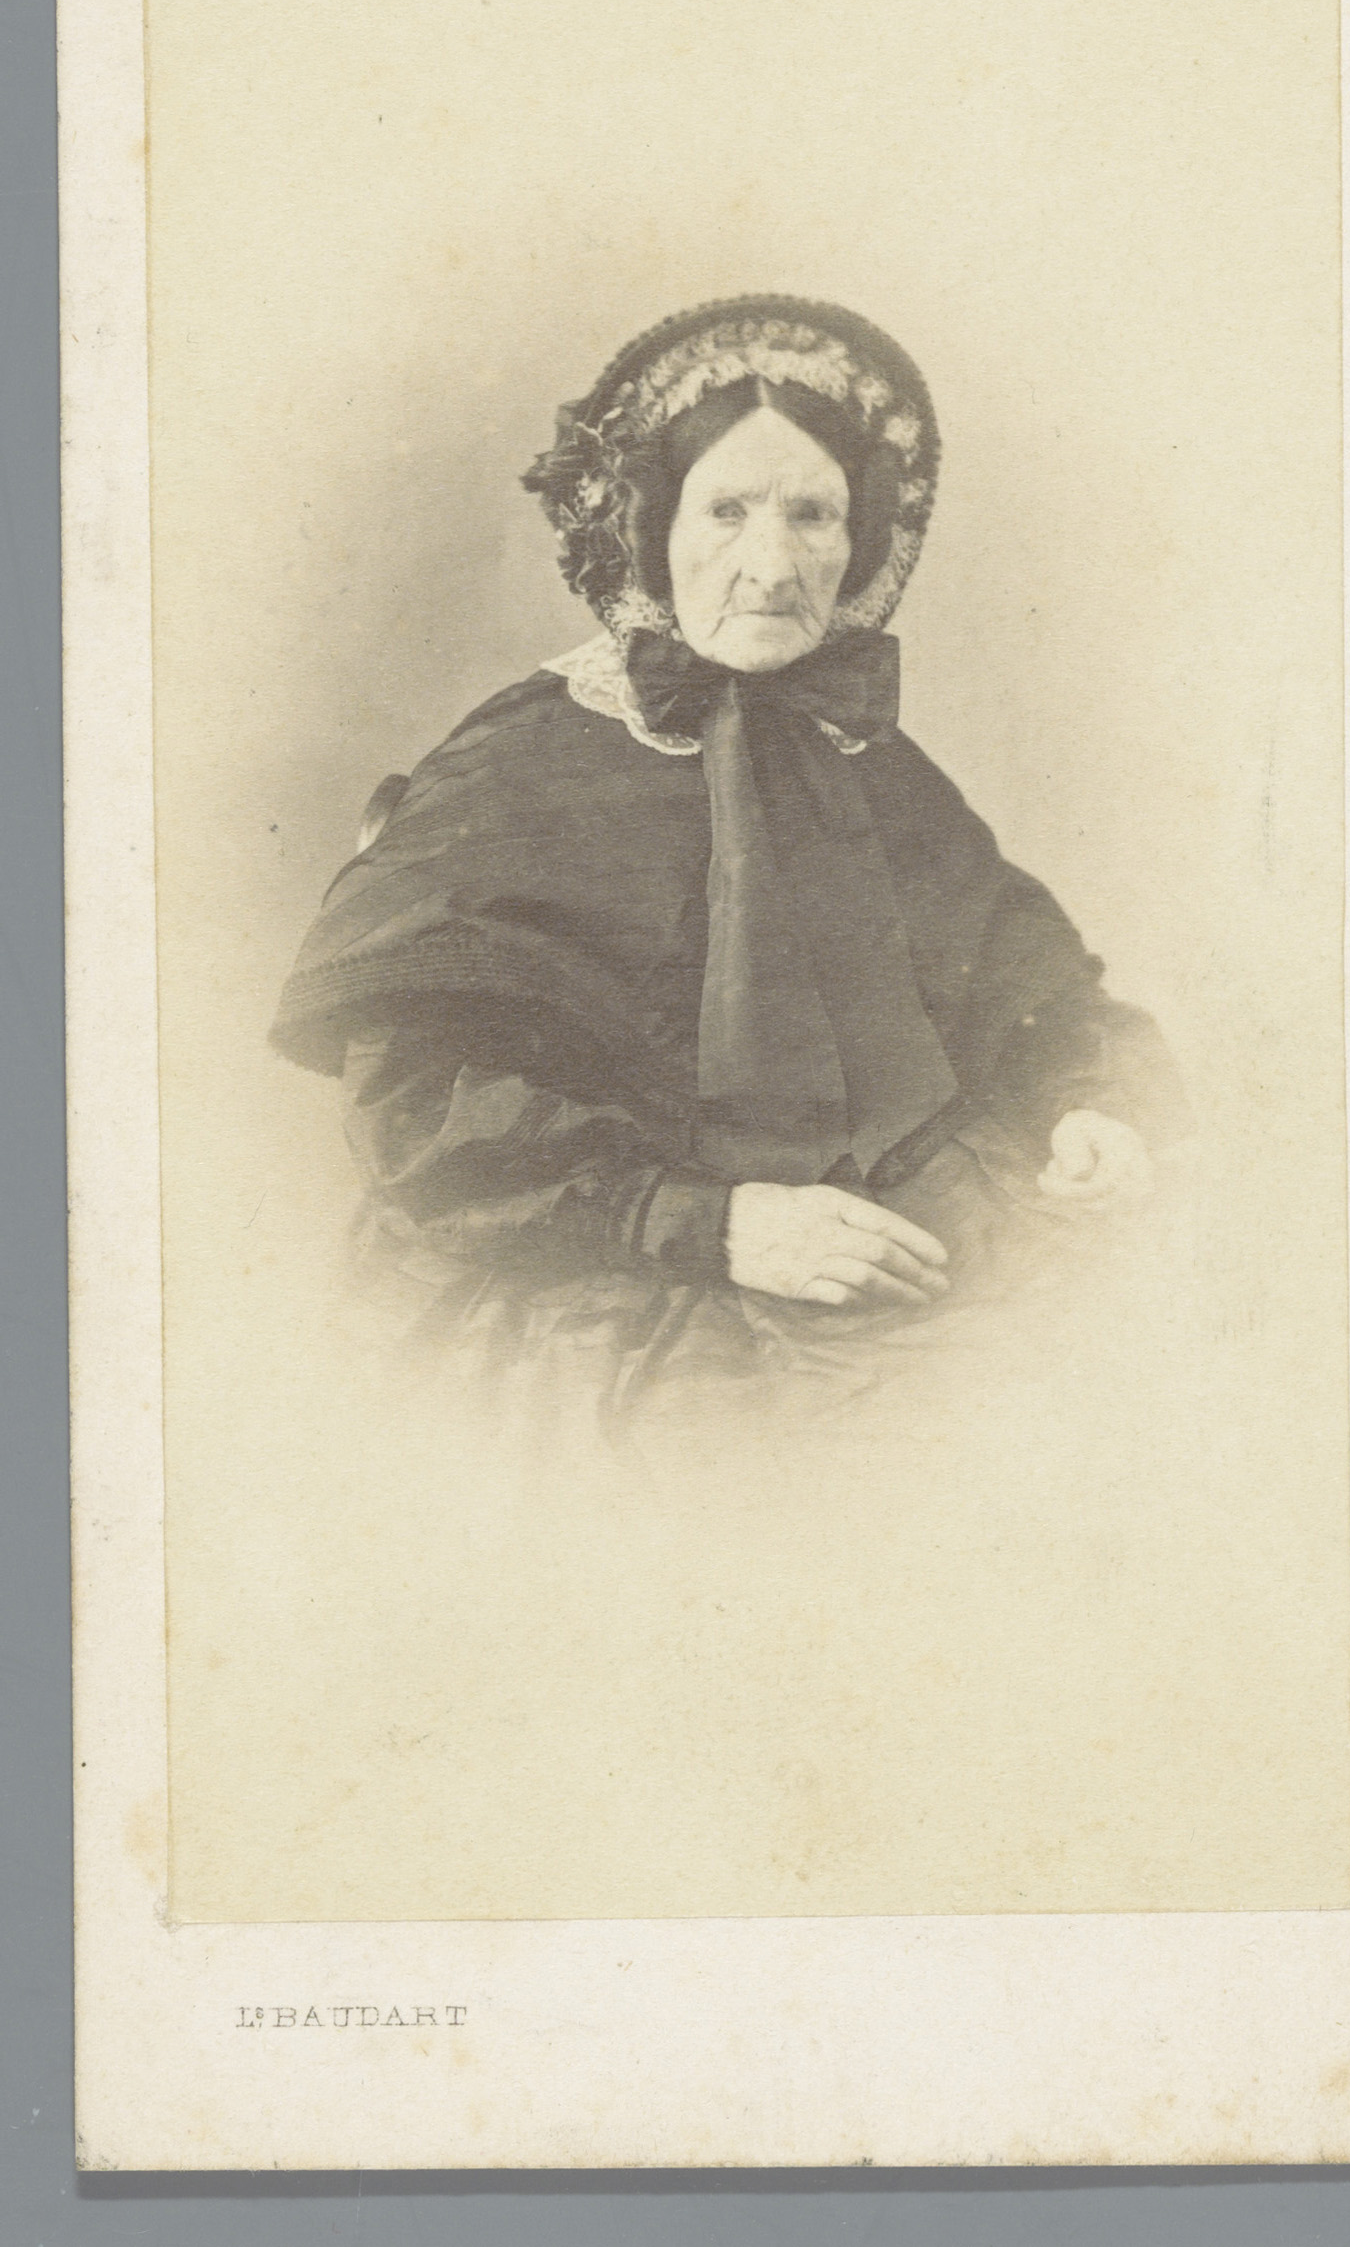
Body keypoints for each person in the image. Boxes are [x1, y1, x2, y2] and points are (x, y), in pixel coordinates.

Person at [271, 296, 1190, 1422]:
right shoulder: (519, 761)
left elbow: (1029, 985)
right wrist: (720, 1224)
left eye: (812, 515)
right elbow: (415, 1108)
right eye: (726, 511)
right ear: (650, 528)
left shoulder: (863, 756)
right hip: (611, 1272)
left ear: (863, 542)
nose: (772, 565)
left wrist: (1089, 1107)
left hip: (905, 1222)